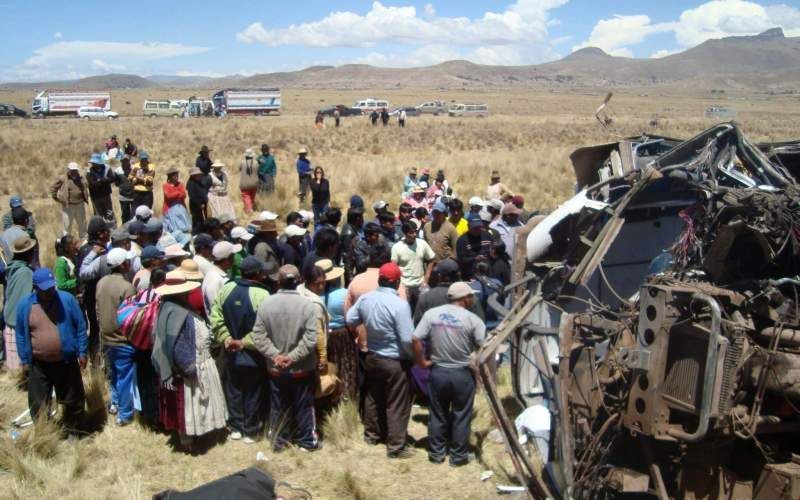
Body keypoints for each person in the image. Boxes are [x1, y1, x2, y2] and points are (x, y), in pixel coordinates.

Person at [412, 282, 486, 466]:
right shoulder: (473, 319)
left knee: (437, 414)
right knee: (461, 415)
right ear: (464, 298)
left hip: (438, 371)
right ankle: (458, 456)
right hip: (462, 373)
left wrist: (421, 362)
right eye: (471, 296)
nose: (473, 299)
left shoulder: (432, 314)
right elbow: (483, 344)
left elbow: (415, 338)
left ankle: (436, 453)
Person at [345, 262, 415, 458]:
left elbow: (350, 320)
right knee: (397, 403)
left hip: (372, 355)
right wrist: (412, 357)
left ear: (380, 280)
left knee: (373, 397)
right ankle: (395, 446)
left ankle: (372, 435)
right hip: (394, 359)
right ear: (397, 282)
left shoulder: (366, 299)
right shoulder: (400, 305)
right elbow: (407, 338)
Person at [153, 271, 227, 447]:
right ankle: (188, 439)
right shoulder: (175, 312)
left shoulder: (171, 308)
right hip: (189, 368)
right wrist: (189, 367)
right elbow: (176, 343)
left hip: (198, 361)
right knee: (186, 405)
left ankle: (195, 434)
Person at [252, 265, 321, 452]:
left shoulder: (266, 304)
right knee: (304, 406)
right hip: (301, 368)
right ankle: (307, 441)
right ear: (299, 281)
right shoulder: (307, 305)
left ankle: (279, 441)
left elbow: (258, 336)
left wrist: (276, 356)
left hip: (276, 368)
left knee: (277, 405)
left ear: (278, 281)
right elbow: (311, 338)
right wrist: (291, 357)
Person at [15, 268, 87, 436]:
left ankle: (74, 431)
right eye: (44, 288)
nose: (49, 291)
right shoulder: (25, 305)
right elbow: (20, 334)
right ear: (35, 287)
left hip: (66, 360)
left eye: (51, 287)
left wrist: (82, 352)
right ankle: (45, 434)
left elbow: (81, 327)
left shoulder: (67, 300)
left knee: (73, 399)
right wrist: (25, 360)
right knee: (38, 402)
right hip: (39, 364)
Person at [210, 256, 271, 443]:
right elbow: (265, 328)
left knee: (234, 389)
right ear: (258, 274)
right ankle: (251, 430)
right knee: (253, 391)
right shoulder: (263, 295)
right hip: (253, 354)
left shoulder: (226, 289)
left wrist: (227, 339)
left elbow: (215, 317)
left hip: (230, 353)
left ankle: (236, 427)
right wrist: (244, 342)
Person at [96, 248, 136, 425]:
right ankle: (125, 414)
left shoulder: (101, 282)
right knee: (125, 377)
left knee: (114, 374)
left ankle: (115, 403)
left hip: (105, 337)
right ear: (123, 265)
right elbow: (132, 318)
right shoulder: (127, 287)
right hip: (122, 339)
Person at [76, 217, 113, 363]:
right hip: (97, 297)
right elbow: (82, 275)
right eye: (106, 230)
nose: (109, 232)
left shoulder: (84, 249)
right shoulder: (97, 252)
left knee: (95, 328)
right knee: (99, 328)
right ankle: (98, 359)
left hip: (90, 296)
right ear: (100, 234)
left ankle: (94, 358)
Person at [3, 235, 37, 370]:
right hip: (19, 323)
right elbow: (26, 301)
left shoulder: (12, 268)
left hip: (9, 318)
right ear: (27, 254)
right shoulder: (26, 273)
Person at [391, 221, 435, 312]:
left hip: (420, 283)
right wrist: (399, 285)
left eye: (415, 231)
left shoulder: (422, 243)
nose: (414, 234)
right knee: (403, 310)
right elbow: (393, 267)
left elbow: (431, 259)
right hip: (404, 285)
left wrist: (426, 278)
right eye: (411, 232)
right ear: (405, 233)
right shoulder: (397, 247)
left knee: (428, 306)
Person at [50, 163, 89, 239]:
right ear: (68, 170)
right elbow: (54, 188)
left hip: (80, 204)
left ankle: (84, 242)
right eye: (72, 170)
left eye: (75, 170)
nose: (74, 172)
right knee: (67, 226)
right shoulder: (63, 178)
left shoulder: (81, 177)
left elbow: (86, 185)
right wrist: (57, 198)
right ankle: (66, 243)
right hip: (68, 206)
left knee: (83, 225)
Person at [202, 241, 239, 315]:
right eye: (232, 256)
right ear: (227, 260)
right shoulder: (215, 280)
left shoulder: (215, 274)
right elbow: (216, 309)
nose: (234, 260)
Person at [85, 152, 116, 222]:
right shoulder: (89, 171)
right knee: (98, 216)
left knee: (109, 214)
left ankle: (111, 229)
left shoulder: (107, 168)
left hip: (106, 195)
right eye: (93, 163)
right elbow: (92, 184)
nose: (93, 164)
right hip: (95, 197)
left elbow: (112, 179)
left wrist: (100, 181)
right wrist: (104, 181)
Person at [162, 167, 191, 235]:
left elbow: (184, 195)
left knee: (183, 225)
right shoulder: (165, 185)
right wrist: (178, 193)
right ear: (171, 176)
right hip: (170, 209)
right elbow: (169, 196)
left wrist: (175, 194)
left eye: (177, 175)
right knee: (173, 227)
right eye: (175, 175)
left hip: (180, 207)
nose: (177, 177)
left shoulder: (180, 184)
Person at [340, 207, 364, 284]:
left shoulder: (352, 228)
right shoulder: (348, 233)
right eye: (361, 217)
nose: (363, 219)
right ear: (357, 218)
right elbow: (346, 255)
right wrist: (350, 276)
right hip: (351, 268)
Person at [111, 156, 135, 223]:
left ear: (129, 160)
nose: (125, 162)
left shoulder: (134, 168)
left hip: (134, 196)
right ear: (121, 161)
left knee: (135, 215)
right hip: (123, 197)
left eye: (126, 160)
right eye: (123, 161)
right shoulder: (118, 170)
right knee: (125, 215)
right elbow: (116, 183)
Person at [186, 167, 209, 234]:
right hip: (196, 206)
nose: (200, 176)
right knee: (197, 221)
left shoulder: (199, 182)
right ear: (194, 176)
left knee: (202, 220)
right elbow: (192, 196)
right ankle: (196, 234)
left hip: (202, 204)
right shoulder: (191, 184)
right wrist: (199, 204)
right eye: (198, 175)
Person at [239, 149, 259, 215]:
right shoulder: (256, 162)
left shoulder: (242, 162)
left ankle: (249, 210)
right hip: (255, 183)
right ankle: (250, 207)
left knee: (246, 196)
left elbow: (239, 169)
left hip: (245, 184)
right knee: (252, 197)